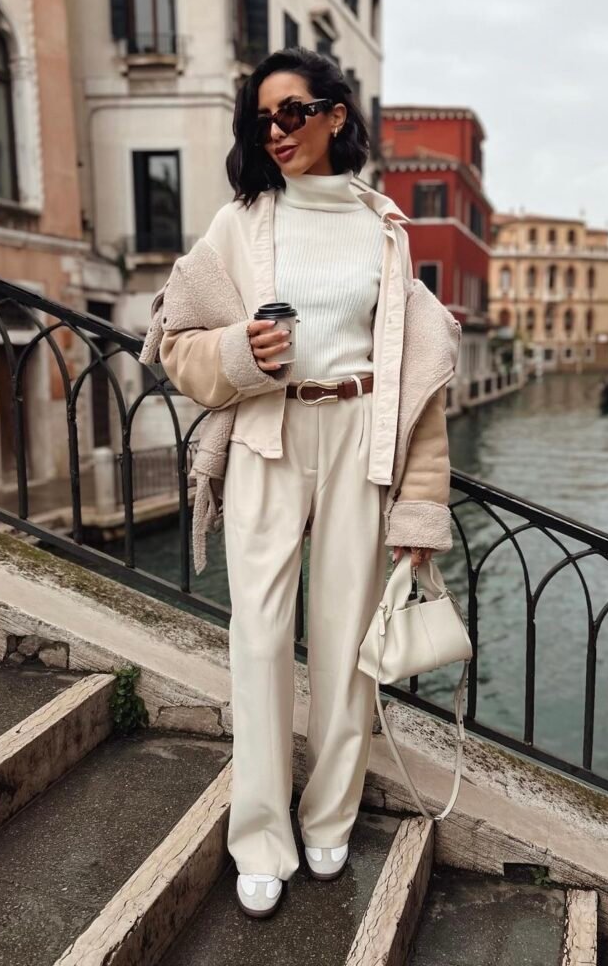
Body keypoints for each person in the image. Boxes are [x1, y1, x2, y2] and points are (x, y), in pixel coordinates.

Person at [151, 47, 460, 918]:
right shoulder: (239, 224)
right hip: (266, 431)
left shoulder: (386, 231)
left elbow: (421, 380)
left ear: (335, 115)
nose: (275, 131)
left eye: (292, 113)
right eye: (262, 118)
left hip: (361, 433)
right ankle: (260, 835)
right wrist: (242, 353)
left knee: (343, 643)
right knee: (256, 640)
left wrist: (422, 503)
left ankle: (330, 812)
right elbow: (178, 341)